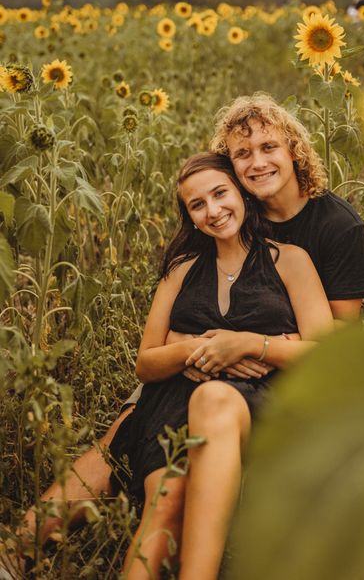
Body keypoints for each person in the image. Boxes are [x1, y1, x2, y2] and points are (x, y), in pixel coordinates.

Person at [14, 93, 364, 571]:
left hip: (290, 382)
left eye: (269, 147)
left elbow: (336, 348)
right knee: (128, 427)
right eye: (243, 154)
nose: (258, 162)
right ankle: (17, 549)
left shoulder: (334, 227)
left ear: (294, 149)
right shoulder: (231, 218)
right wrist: (198, 346)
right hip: (193, 368)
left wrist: (254, 346)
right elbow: (175, 322)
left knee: (190, 436)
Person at [106, 151, 333, 578]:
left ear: (241, 193)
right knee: (163, 505)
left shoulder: (289, 260)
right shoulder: (181, 270)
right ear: (190, 217)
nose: (213, 210)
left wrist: (248, 345)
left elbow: (324, 352)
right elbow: (146, 362)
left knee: (214, 397)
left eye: (220, 193)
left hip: (262, 403)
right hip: (173, 403)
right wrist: (197, 349)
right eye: (197, 205)